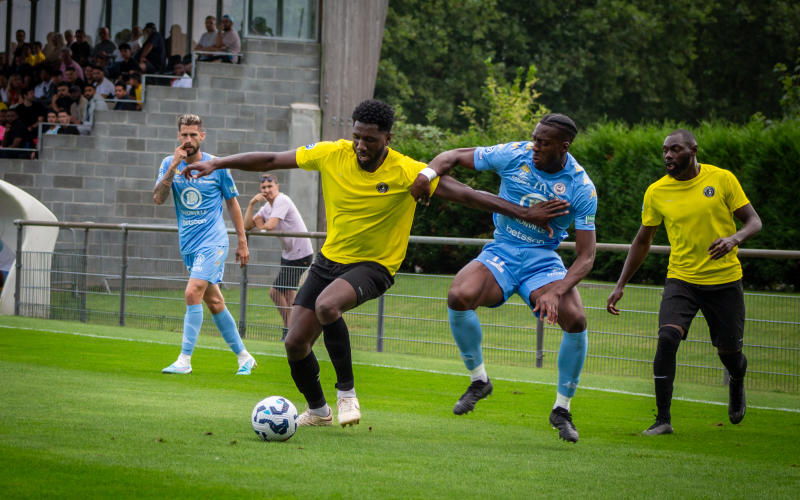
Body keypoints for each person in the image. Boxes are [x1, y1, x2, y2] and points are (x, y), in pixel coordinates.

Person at [184, 99, 570, 428]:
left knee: (327, 305)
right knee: (295, 342)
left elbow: (468, 195)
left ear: (388, 138)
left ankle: (347, 394)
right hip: (329, 261)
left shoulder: (406, 170)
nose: (360, 145)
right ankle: (318, 411)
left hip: (376, 266)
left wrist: (525, 213)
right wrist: (217, 164)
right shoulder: (333, 153)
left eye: (369, 139)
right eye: (357, 136)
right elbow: (271, 158)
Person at [412, 113, 596, 443]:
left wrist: (557, 291)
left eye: (543, 142)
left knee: (576, 319)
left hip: (542, 261)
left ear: (564, 146)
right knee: (458, 295)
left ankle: (562, 409)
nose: (535, 146)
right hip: (503, 251)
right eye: (535, 138)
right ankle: (479, 380)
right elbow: (450, 157)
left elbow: (586, 257)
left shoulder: (580, 187)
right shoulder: (515, 153)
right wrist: (427, 173)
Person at [606, 129, 762, 435]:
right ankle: (663, 420)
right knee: (667, 339)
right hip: (682, 279)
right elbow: (642, 240)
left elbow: (753, 221)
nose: (667, 155)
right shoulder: (656, 192)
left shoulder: (722, 179)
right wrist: (621, 283)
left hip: (725, 280)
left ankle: (737, 379)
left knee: (729, 354)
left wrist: (735, 238)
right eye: (665, 150)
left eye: (674, 149)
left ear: (693, 150)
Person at [153, 113, 256, 375]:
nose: (188, 140)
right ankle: (244, 356)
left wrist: (242, 241)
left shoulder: (216, 166)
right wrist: (172, 167)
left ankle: (184, 360)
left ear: (202, 136)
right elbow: (158, 198)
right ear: (179, 136)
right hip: (188, 243)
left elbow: (232, 202)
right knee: (215, 302)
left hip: (213, 240)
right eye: (184, 135)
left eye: (193, 135)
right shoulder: (169, 163)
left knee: (192, 291)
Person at [243, 173, 314, 340]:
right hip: (288, 254)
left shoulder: (282, 200)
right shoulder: (267, 206)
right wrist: (252, 203)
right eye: (263, 188)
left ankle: (289, 329)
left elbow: (269, 225)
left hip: (301, 254)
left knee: (274, 292)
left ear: (277, 187)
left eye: (270, 187)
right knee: (289, 295)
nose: (267, 190)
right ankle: (296, 330)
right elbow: (247, 225)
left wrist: (261, 224)